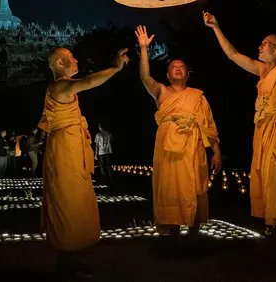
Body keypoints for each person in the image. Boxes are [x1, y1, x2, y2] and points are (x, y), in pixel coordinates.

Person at [203, 11, 276, 244]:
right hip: (264, 134)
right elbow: (233, 55)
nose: (260, 47)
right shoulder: (264, 71)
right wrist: (216, 27)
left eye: (265, 44)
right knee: (273, 188)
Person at [38, 46, 129, 279]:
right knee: (67, 202)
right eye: (71, 58)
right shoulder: (59, 86)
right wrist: (116, 68)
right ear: (59, 63)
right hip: (64, 152)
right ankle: (64, 262)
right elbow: (88, 82)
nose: (76, 60)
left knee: (76, 202)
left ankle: (70, 258)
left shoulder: (60, 88)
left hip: (71, 148)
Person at [135, 25, 222, 245]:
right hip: (168, 149)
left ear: (187, 73)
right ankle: (173, 236)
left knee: (194, 187)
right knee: (171, 188)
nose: (178, 69)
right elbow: (145, 77)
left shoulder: (197, 97)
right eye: (174, 67)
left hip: (193, 147)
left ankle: (194, 236)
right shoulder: (161, 92)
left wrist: (217, 153)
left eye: (182, 67)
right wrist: (144, 49)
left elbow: (209, 125)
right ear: (167, 74)